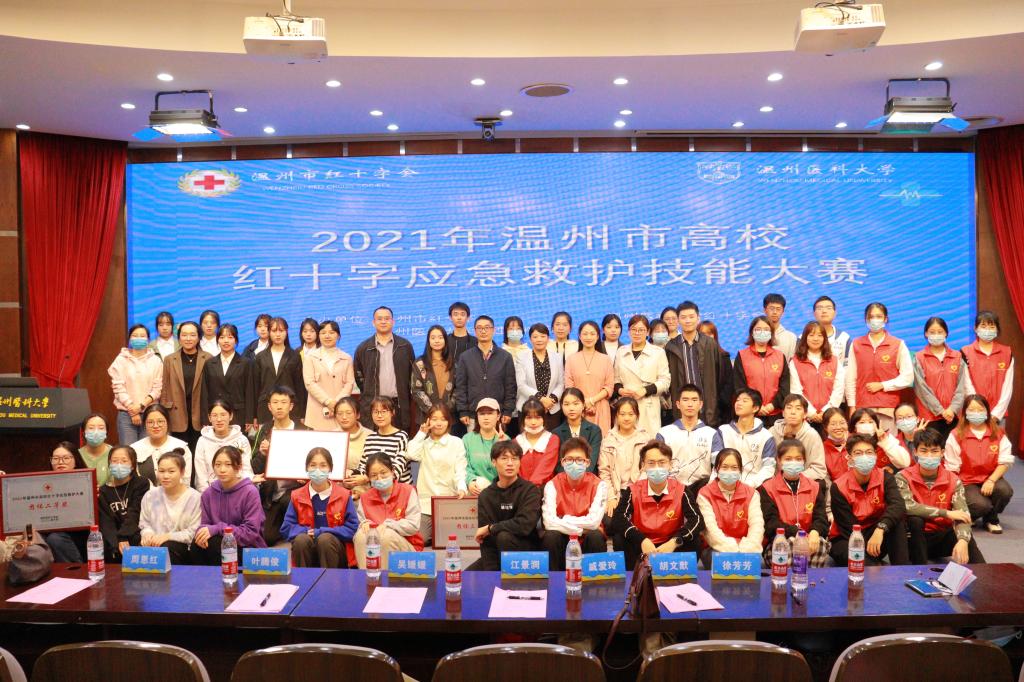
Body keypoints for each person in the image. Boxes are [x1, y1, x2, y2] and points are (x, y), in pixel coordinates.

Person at [897, 429, 985, 565]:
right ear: (915, 452)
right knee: (915, 520)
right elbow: (907, 506)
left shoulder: (953, 480)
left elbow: (963, 514)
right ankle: (920, 569)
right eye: (924, 451)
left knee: (965, 536)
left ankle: (984, 572)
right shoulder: (903, 477)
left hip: (941, 537)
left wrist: (963, 540)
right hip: (913, 540)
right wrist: (946, 513)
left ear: (942, 453)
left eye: (934, 451)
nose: (929, 455)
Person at [829, 434, 909, 566]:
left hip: (876, 536)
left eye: (869, 452)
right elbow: (847, 526)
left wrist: (880, 528)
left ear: (876, 456)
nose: (864, 457)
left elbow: (898, 505)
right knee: (861, 561)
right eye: (858, 453)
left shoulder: (885, 477)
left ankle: (902, 570)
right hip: (847, 538)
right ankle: (871, 565)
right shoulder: (838, 487)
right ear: (849, 458)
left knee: (897, 521)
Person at [622, 440, 702, 569]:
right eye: (651, 463)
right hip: (642, 544)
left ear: (670, 465)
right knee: (620, 537)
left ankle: (681, 575)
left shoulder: (681, 490)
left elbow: (697, 519)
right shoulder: (633, 490)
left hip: (670, 544)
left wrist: (675, 541)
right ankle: (633, 575)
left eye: (662, 462)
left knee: (695, 539)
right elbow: (619, 519)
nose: (657, 467)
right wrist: (641, 540)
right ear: (643, 466)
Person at [944, 394, 1014, 533]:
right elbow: (951, 467)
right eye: (971, 410)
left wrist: (991, 480)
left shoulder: (998, 433)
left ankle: (991, 519)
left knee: (1005, 491)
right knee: (981, 505)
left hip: (991, 477)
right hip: (966, 481)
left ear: (987, 411)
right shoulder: (956, 434)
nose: (976, 413)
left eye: (980, 409)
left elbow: (1005, 461)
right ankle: (971, 515)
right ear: (965, 413)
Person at [280, 447, 359, 568]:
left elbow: (352, 528)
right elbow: (286, 528)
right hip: (307, 550)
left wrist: (323, 531)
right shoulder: (297, 496)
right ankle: (304, 579)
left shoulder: (343, 495)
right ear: (306, 468)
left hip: (334, 552)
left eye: (323, 465)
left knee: (325, 539)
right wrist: (306, 531)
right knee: (301, 540)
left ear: (330, 468)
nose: (318, 470)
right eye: (313, 465)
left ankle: (330, 580)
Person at [251, 386, 309, 546]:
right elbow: (254, 467)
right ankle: (287, 528)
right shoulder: (264, 430)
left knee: (289, 501)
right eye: (275, 402)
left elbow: (314, 463)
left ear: (291, 406)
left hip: (296, 490)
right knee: (267, 537)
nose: (279, 406)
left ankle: (296, 529)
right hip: (271, 493)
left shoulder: (304, 430)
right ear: (269, 406)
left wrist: (306, 477)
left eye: (284, 402)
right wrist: (263, 454)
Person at [190, 445, 267, 565]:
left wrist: (218, 529)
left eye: (228, 464)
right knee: (197, 545)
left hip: (247, 548)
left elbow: (250, 533)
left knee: (216, 544)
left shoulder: (250, 492)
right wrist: (201, 533)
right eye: (218, 464)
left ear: (239, 467)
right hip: (218, 542)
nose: (222, 470)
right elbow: (205, 524)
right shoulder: (208, 493)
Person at [759, 439, 830, 567]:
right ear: (779, 461)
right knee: (791, 543)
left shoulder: (815, 486)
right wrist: (796, 533)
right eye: (788, 459)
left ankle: (811, 579)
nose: (794, 462)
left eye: (798, 459)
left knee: (819, 544)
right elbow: (770, 523)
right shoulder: (767, 488)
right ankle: (790, 579)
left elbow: (821, 519)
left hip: (809, 540)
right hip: (778, 542)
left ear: (804, 461)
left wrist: (815, 532)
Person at [845, 302, 913, 432]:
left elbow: (907, 377)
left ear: (885, 319)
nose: (875, 320)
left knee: (888, 443)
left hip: (888, 408)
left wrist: (883, 385)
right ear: (866, 320)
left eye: (879, 316)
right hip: (863, 408)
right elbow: (850, 378)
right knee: (864, 443)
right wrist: (852, 406)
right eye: (871, 317)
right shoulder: (857, 344)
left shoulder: (897, 344)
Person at [473, 440, 542, 571]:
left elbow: (525, 525)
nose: (510, 463)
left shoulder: (530, 490)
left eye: (514, 458)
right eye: (504, 458)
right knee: (465, 579)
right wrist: (491, 573)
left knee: (504, 536)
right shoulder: (486, 495)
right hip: (496, 555)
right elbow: (484, 538)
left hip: (525, 554)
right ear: (494, 462)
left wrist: (492, 528)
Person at [406, 402, 468, 547]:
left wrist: (461, 488)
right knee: (421, 538)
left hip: (449, 501)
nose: (439, 423)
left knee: (452, 539)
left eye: (443, 419)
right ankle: (434, 533)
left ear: (449, 422)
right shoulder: (424, 443)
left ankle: (438, 533)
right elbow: (410, 454)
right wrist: (421, 433)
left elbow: (460, 468)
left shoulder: (456, 442)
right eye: (434, 419)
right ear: (428, 421)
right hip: (426, 504)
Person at [542, 437, 608, 568]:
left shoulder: (599, 485)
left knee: (595, 536)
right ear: (563, 462)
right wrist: (581, 530)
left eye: (579, 460)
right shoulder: (552, 484)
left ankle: (592, 579)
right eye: (569, 459)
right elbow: (549, 522)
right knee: (550, 536)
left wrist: (564, 519)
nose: (574, 463)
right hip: (562, 538)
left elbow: (594, 522)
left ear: (587, 462)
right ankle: (554, 578)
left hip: (588, 539)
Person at [353, 453, 424, 568]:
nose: (379, 478)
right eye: (374, 475)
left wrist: (389, 525)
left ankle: (385, 578)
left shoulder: (408, 491)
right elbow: (361, 523)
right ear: (369, 478)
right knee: (361, 535)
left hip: (408, 546)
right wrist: (364, 524)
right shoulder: (365, 497)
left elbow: (413, 525)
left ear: (392, 471)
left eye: (383, 473)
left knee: (386, 535)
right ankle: (366, 575)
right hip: (375, 544)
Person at [698, 448, 765, 566]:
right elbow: (710, 529)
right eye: (724, 467)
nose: (729, 471)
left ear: (740, 470)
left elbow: (757, 525)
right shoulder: (705, 494)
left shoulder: (752, 494)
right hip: (715, 548)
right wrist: (733, 548)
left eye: (734, 468)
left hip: (746, 548)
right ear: (716, 469)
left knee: (758, 562)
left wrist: (747, 548)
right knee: (720, 561)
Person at [354, 306, 416, 432]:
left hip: (398, 404)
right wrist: (369, 392)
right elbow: (359, 376)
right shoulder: (363, 348)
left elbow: (412, 374)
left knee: (399, 438)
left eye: (387, 319)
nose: (383, 322)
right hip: (374, 405)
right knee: (374, 439)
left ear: (393, 322)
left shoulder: (405, 346)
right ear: (373, 322)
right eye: (379, 319)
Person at [139, 450, 202, 565]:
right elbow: (144, 523)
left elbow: (193, 532)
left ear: (182, 472)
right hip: (154, 544)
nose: (165, 476)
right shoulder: (150, 495)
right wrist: (147, 534)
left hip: (182, 547)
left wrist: (168, 536)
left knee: (167, 547)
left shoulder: (195, 498)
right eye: (161, 471)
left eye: (171, 471)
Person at [456, 315, 517, 431]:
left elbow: (510, 387)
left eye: (487, 327)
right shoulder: (465, 357)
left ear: (494, 330)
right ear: (475, 331)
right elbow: (461, 387)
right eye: (479, 328)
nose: (483, 331)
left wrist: (508, 411)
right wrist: (463, 411)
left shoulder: (505, 357)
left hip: (498, 414)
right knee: (475, 443)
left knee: (498, 443)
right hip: (473, 415)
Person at [668, 301, 722, 428]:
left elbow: (720, 376)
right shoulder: (671, 347)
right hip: (682, 407)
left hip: (707, 406)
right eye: (683, 317)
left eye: (691, 317)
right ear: (678, 320)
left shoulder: (710, 344)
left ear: (698, 318)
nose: (688, 321)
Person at [161, 320, 212, 453]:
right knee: (178, 454)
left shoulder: (208, 358)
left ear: (199, 337)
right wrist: (164, 412)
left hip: (200, 413)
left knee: (199, 453)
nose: (188, 338)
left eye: (192, 335)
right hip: (176, 412)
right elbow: (165, 388)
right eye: (184, 335)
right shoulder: (169, 359)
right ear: (179, 337)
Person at [912, 316, 966, 442]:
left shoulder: (957, 356)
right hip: (929, 417)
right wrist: (941, 411)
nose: (936, 335)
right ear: (926, 333)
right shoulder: (919, 357)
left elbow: (961, 387)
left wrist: (952, 410)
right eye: (932, 332)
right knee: (931, 449)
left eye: (940, 332)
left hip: (953, 416)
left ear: (946, 333)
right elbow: (921, 389)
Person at [656, 384, 722, 486]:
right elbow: (657, 464)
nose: (690, 404)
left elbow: (720, 464)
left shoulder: (711, 433)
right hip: (672, 487)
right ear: (678, 404)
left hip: (703, 487)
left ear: (701, 404)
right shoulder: (664, 433)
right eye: (685, 400)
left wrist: (710, 486)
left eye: (694, 400)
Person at [615, 315, 671, 436]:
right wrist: (620, 390)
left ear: (648, 332)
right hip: (626, 405)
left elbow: (665, 381)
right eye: (633, 329)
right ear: (629, 331)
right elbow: (616, 379)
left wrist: (645, 390)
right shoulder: (621, 351)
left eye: (641, 330)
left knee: (649, 441)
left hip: (648, 403)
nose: (637, 333)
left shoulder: (658, 352)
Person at [108, 323, 163, 445]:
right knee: (128, 451)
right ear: (129, 339)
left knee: (148, 450)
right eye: (135, 335)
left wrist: (141, 406)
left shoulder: (156, 360)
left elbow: (157, 389)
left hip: (150, 413)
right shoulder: (120, 360)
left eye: (142, 336)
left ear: (148, 339)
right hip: (126, 415)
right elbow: (118, 388)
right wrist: (132, 410)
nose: (139, 338)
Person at [734, 315, 790, 426]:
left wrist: (772, 405)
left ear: (771, 333)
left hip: (775, 414)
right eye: (758, 329)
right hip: (750, 413)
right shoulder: (742, 356)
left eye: (766, 329)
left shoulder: (780, 356)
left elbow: (784, 387)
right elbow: (739, 386)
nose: (762, 332)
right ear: (752, 332)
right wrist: (756, 406)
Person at [98, 445, 149, 562]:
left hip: (135, 532)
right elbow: (107, 522)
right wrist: (116, 543)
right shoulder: (103, 491)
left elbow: (135, 513)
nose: (119, 465)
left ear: (132, 465)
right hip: (115, 538)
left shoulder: (141, 483)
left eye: (124, 461)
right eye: (114, 461)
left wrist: (123, 536)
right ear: (109, 464)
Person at [252, 317, 307, 425]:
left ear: (286, 332)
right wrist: (253, 415)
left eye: (281, 331)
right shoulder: (260, 357)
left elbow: (300, 387)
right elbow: (255, 388)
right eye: (274, 331)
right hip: (265, 408)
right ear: (269, 332)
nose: (278, 334)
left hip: (290, 408)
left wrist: (302, 414)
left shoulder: (294, 356)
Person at [961, 310, 1014, 424]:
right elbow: (966, 384)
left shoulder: (1007, 353)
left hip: (998, 416)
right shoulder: (965, 352)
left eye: (991, 326)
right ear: (975, 328)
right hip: (974, 414)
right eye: (983, 326)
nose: (987, 330)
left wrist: (996, 414)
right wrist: (977, 409)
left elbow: (1007, 387)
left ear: (997, 329)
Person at [717, 389, 777, 488]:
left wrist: (750, 484)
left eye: (744, 401)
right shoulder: (723, 431)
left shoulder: (766, 436)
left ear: (755, 408)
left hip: (754, 487)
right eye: (737, 400)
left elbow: (768, 468)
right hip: (724, 483)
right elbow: (716, 462)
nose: (739, 403)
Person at [302, 320, 355, 431]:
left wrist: (336, 403)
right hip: (317, 412)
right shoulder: (310, 357)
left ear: (338, 336)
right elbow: (309, 383)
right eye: (323, 333)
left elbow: (349, 383)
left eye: (331, 332)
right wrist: (327, 401)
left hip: (340, 411)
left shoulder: (347, 358)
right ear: (318, 335)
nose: (327, 336)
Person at [565, 320, 615, 435]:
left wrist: (591, 401)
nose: (588, 337)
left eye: (592, 334)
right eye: (585, 334)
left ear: (597, 337)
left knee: (601, 441)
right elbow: (569, 386)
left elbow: (609, 387)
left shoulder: (606, 359)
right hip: (577, 408)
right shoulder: (571, 359)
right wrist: (583, 403)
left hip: (601, 408)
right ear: (579, 336)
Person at [41, 443, 89, 563]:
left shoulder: (87, 483)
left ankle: (78, 571)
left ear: (76, 460)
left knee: (55, 539)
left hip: (78, 535)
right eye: (56, 458)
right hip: (50, 530)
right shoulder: (42, 485)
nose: (60, 462)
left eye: (66, 458)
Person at [194, 400, 254, 493]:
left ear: (231, 416)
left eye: (223, 415)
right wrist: (207, 494)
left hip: (238, 489)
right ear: (209, 418)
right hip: (211, 491)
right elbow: (200, 474)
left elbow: (246, 469)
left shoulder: (241, 440)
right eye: (214, 415)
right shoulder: (202, 441)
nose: (219, 419)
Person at [789, 321, 844, 424]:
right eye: (811, 335)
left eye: (820, 335)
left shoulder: (834, 361)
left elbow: (838, 390)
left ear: (824, 338)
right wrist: (811, 413)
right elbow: (796, 391)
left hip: (830, 417)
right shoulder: (795, 362)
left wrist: (826, 412)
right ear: (805, 338)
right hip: (804, 418)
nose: (815, 339)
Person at [201, 323, 253, 427]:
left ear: (236, 340)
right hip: (216, 415)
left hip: (238, 414)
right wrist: (205, 418)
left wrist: (249, 418)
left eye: (230, 337)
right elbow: (204, 393)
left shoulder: (245, 363)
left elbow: (249, 392)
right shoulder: (209, 363)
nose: (226, 341)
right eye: (222, 337)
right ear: (217, 340)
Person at [515, 322, 564, 431]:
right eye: (535, 337)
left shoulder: (557, 357)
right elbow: (521, 385)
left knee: (551, 440)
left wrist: (551, 400)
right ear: (530, 339)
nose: (539, 340)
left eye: (542, 336)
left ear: (548, 338)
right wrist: (541, 399)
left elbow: (561, 383)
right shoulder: (522, 357)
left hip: (552, 409)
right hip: (528, 409)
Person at [767, 395, 828, 482]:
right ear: (783, 413)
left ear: (805, 414)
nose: (793, 412)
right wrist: (778, 481)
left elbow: (819, 469)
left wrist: (794, 478)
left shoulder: (812, 436)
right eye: (789, 408)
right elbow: (766, 463)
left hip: (803, 481)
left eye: (798, 408)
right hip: (776, 482)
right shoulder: (771, 432)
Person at [131, 404, 192, 487]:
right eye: (150, 422)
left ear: (168, 422)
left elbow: (185, 482)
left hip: (175, 493)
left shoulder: (181, 447)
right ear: (144, 425)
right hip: (144, 494)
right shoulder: (134, 448)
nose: (155, 426)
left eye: (160, 421)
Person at [358, 397, 412, 483]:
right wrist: (352, 473)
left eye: (384, 411)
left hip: (399, 487)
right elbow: (363, 467)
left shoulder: (401, 436)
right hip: (376, 487)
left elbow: (397, 471)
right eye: (376, 412)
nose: (379, 416)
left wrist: (368, 478)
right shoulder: (370, 438)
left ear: (392, 412)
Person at [411, 324, 456, 426]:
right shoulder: (420, 363)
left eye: (440, 337)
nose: (437, 341)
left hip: (448, 417)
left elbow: (458, 389)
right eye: (433, 338)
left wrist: (446, 409)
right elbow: (417, 390)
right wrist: (433, 411)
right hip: (426, 417)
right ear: (428, 341)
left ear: (445, 340)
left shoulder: (453, 363)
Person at [463, 398, 509, 495]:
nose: (486, 417)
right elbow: (463, 465)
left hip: (500, 491)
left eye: (490, 413)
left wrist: (503, 446)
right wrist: (470, 480)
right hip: (475, 490)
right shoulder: (467, 439)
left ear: (498, 416)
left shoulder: (506, 439)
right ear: (477, 416)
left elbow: (509, 469)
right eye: (482, 414)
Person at [552, 388, 603, 475]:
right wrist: (570, 479)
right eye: (566, 404)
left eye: (576, 404)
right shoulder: (556, 433)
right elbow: (558, 464)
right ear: (561, 406)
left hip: (588, 478)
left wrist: (578, 478)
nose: (571, 408)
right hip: (564, 479)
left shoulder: (594, 430)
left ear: (583, 405)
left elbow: (591, 462)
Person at [516, 398, 561, 487]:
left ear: (544, 419)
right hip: (520, 489)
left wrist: (530, 489)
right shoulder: (516, 442)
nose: (533, 422)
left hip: (546, 488)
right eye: (529, 418)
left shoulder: (552, 439)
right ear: (523, 420)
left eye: (538, 417)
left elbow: (546, 467)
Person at [850, 408, 911, 472]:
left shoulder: (886, 437)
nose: (867, 425)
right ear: (854, 427)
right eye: (862, 422)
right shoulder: (849, 442)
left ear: (876, 424)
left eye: (870, 422)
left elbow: (905, 463)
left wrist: (885, 442)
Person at [334, 397, 373, 497]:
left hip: (365, 487)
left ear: (358, 415)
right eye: (340, 413)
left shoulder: (370, 436)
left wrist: (366, 478)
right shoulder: (331, 436)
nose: (344, 417)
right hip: (336, 488)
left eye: (348, 413)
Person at [698, 319, 735, 425]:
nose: (706, 337)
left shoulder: (724, 356)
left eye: (709, 333)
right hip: (698, 408)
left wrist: (718, 402)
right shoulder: (693, 358)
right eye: (702, 334)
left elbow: (729, 384)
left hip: (720, 411)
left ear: (715, 336)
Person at [810, 296, 851, 364]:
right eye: (820, 308)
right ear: (814, 314)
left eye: (828, 308)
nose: (824, 311)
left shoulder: (844, 338)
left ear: (835, 313)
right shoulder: (804, 338)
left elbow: (848, 365)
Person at [79, 413, 111, 486]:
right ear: (83, 432)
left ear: (106, 432)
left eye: (101, 428)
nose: (96, 432)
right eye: (91, 428)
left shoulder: (115, 454)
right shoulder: (76, 455)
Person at [763, 293, 797, 361]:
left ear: (783, 312)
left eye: (778, 309)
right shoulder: (758, 334)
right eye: (772, 308)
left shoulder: (791, 337)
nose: (775, 312)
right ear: (765, 310)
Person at [822, 406, 850, 482]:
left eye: (842, 423)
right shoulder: (821, 449)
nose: (838, 427)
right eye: (833, 424)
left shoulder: (856, 443)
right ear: (825, 427)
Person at [446, 301, 477, 365]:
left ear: (468, 318)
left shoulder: (476, 342)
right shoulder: (445, 341)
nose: (459, 318)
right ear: (450, 318)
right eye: (455, 314)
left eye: (462, 314)